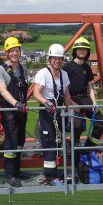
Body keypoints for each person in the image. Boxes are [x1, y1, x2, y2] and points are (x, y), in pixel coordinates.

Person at [33, 43, 73, 186]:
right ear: (50, 59)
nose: (57, 61)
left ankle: (55, 172)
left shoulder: (64, 75)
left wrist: (69, 112)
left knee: (58, 142)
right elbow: (36, 93)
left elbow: (67, 94)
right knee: (49, 142)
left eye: (59, 58)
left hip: (59, 111)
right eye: (54, 58)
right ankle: (50, 177)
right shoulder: (43, 73)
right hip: (47, 112)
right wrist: (46, 102)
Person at [0, 37, 30, 188]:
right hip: (9, 111)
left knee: (20, 141)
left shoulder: (23, 69)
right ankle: (9, 174)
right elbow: (2, 90)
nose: (15, 53)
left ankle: (16, 170)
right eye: (12, 51)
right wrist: (15, 103)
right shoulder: (0, 70)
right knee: (11, 142)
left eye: (17, 50)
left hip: (21, 111)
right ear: (7, 52)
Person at [61, 37, 103, 147]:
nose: (82, 51)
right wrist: (71, 103)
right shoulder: (67, 67)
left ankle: (88, 147)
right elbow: (62, 88)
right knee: (77, 125)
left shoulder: (87, 67)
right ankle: (74, 144)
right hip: (71, 98)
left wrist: (94, 102)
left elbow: (90, 86)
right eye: (79, 49)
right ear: (75, 51)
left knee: (101, 123)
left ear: (87, 52)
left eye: (84, 49)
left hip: (85, 99)